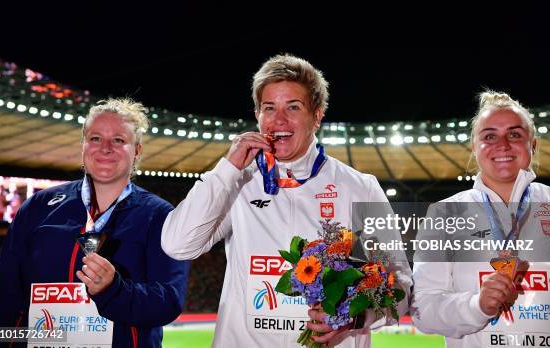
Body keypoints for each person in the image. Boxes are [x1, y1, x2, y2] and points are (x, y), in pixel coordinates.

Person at [161, 54, 412, 347]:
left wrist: (356, 318)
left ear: (317, 115)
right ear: (257, 115)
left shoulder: (360, 188)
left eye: (293, 107)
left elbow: (401, 286)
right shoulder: (237, 181)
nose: (279, 119)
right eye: (269, 108)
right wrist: (226, 170)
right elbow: (177, 245)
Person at [0, 98, 190, 348]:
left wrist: (113, 290)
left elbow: (169, 302)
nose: (105, 148)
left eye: (118, 140)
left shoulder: (160, 215)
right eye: (95, 138)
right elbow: (5, 300)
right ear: (83, 145)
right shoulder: (37, 208)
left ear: (137, 150)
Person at [411, 91, 550, 347]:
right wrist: (476, 306)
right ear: (474, 148)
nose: (502, 145)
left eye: (515, 134)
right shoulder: (445, 214)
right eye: (489, 136)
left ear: (532, 145)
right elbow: (424, 309)